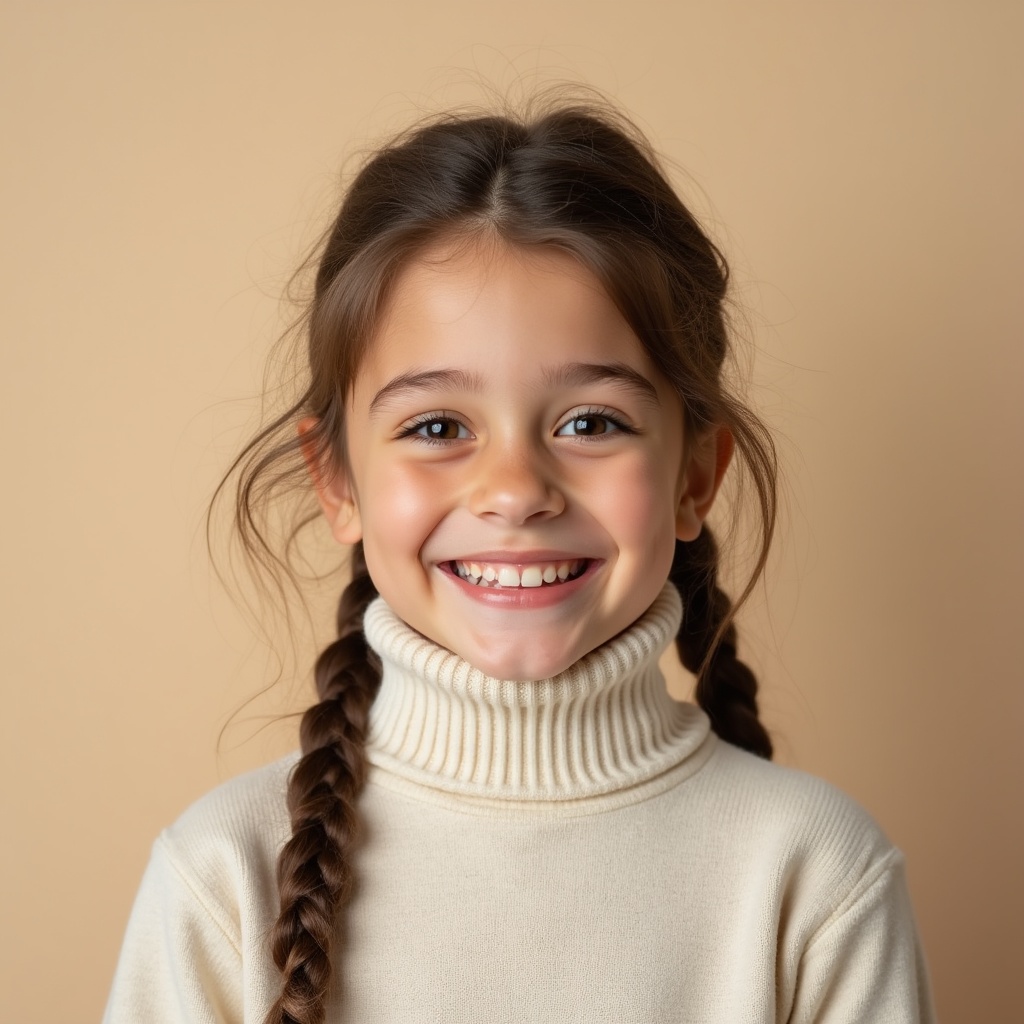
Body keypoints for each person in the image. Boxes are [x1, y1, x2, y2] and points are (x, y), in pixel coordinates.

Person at [104, 99, 936, 1024]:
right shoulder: (224, 878)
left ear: (697, 476)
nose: (514, 489)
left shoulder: (817, 879)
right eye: (437, 427)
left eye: (591, 422)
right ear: (337, 479)